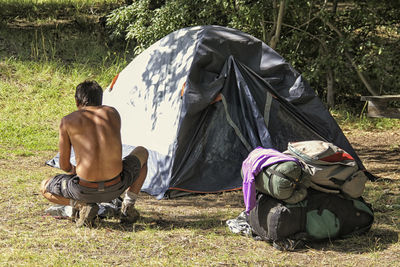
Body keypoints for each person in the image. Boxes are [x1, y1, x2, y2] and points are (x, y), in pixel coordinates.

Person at [40, 80, 148, 227]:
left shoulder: (67, 121)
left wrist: (74, 171)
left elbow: (64, 165)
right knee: (142, 152)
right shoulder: (113, 113)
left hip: (84, 190)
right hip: (117, 186)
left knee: (45, 186)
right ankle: (128, 206)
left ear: (77, 101)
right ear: (101, 100)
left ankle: (81, 205)